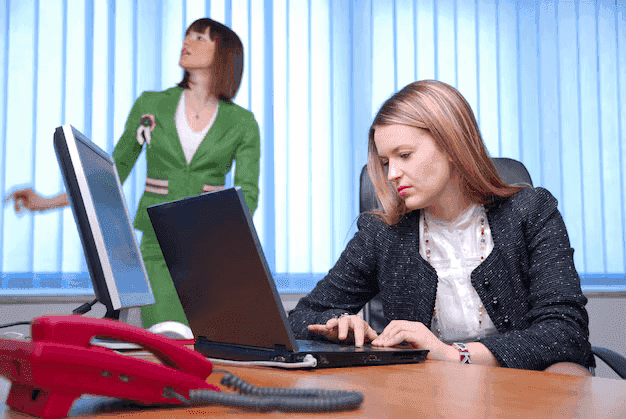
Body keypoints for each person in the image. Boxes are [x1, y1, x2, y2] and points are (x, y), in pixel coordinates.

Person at [288, 80, 595, 376]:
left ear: (451, 144)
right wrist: (339, 322)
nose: (392, 174)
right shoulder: (382, 233)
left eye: (404, 155)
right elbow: (299, 318)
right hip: (426, 392)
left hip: (522, 381)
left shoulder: (531, 211)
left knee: (568, 378)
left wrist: (453, 354)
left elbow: (565, 331)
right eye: (385, 162)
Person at [5, 18, 261, 329]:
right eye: (186, 35)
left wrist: (221, 229)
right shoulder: (151, 104)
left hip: (208, 251)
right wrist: (46, 202)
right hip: (157, 244)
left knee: (205, 342)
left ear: (224, 52)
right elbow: (110, 175)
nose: (186, 42)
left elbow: (248, 194)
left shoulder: (242, 122)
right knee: (166, 335)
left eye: (199, 37)